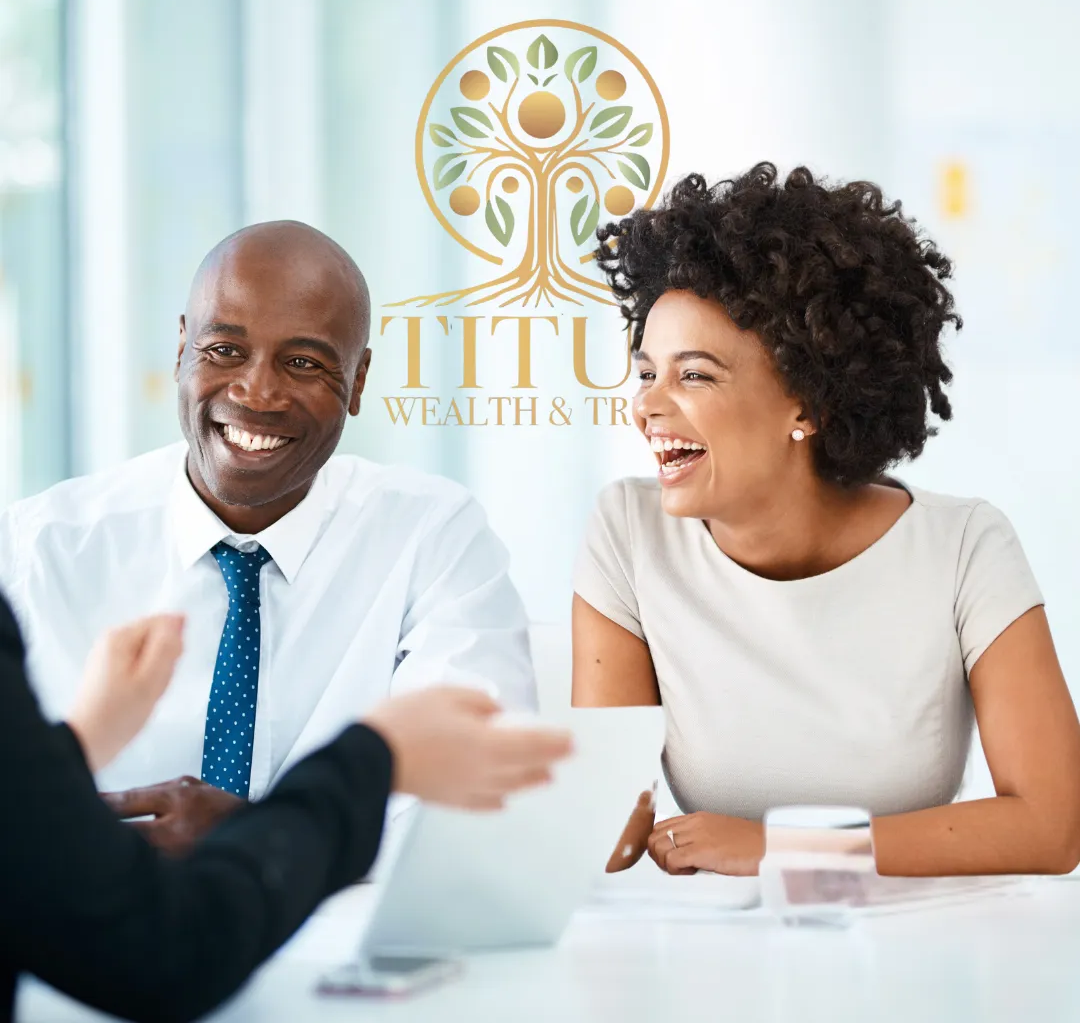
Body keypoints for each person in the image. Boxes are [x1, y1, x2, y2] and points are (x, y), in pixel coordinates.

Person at [573, 163, 1080, 878]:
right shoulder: (630, 532)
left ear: (807, 406)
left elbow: (1052, 826)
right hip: (723, 938)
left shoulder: (964, 548)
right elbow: (609, 832)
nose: (646, 406)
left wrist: (783, 850)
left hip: (916, 935)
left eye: (694, 374)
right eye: (647, 371)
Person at [0, 220, 537, 855]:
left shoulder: (430, 538)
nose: (256, 392)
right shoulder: (41, 549)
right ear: (182, 349)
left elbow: (474, 800)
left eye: (303, 363)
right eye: (224, 350)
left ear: (358, 380)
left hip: (343, 915)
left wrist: (270, 841)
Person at [0, 594, 571, 1023]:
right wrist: (373, 759)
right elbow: (165, 951)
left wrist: (71, 749)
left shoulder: (434, 531)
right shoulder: (39, 539)